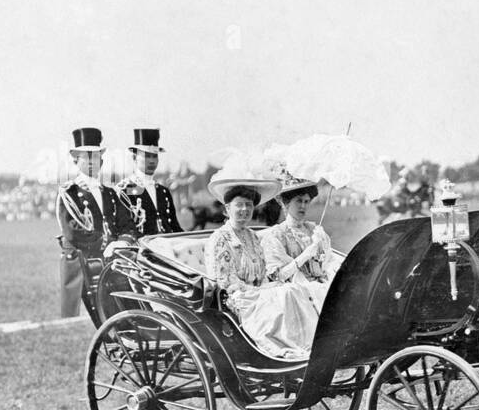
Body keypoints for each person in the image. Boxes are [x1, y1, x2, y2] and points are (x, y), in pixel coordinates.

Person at [203, 179, 322, 360]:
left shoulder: (252, 236)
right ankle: (288, 347)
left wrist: (268, 287)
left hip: (258, 291)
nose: (244, 210)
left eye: (249, 205)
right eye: (239, 205)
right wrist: (258, 290)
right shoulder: (220, 239)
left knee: (293, 290)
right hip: (236, 298)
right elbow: (226, 281)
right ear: (227, 209)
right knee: (286, 294)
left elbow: (264, 271)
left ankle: (307, 345)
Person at [56, 127, 133, 316]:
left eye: (95, 156)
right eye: (86, 157)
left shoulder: (111, 193)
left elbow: (127, 224)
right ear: (75, 161)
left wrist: (121, 242)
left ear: (102, 160)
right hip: (88, 263)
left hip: (115, 259)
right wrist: (106, 243)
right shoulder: (69, 194)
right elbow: (73, 232)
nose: (92, 162)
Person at [259, 177, 334, 315]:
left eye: (306, 201)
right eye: (299, 201)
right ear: (286, 204)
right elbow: (278, 276)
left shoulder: (315, 231)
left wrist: (323, 256)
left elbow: (328, 262)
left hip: (321, 286)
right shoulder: (277, 235)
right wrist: (306, 255)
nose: (303, 206)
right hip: (295, 291)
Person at [116, 128, 183, 235]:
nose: (152, 161)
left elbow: (175, 227)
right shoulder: (127, 189)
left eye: (154, 156)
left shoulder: (163, 191)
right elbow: (125, 230)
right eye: (147, 156)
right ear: (135, 158)